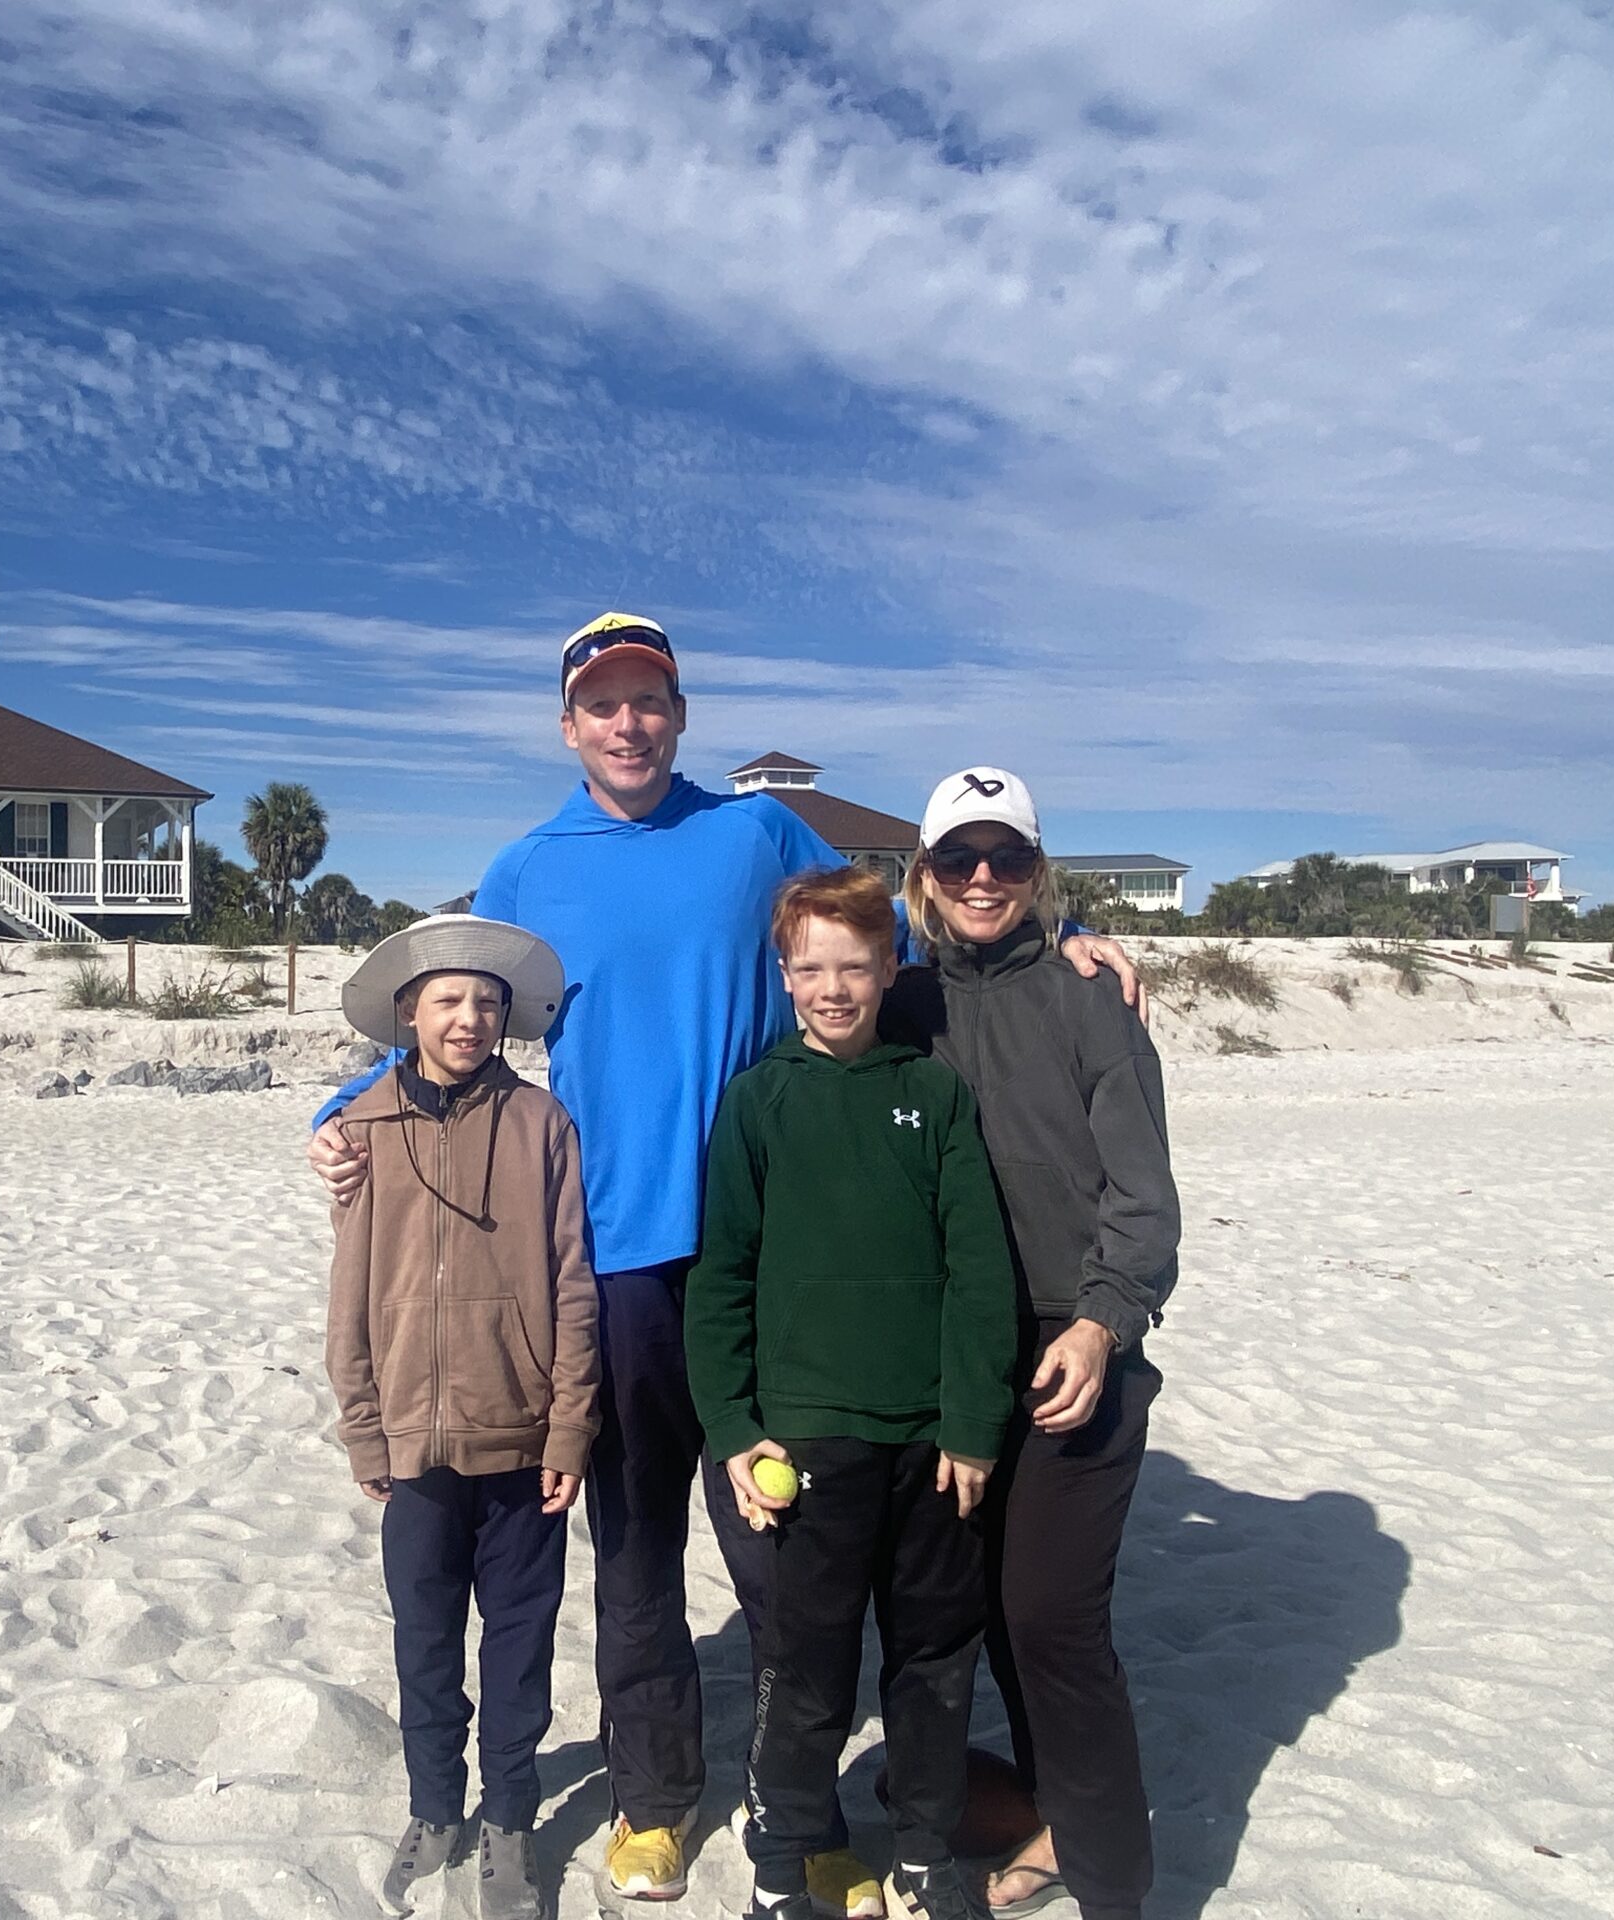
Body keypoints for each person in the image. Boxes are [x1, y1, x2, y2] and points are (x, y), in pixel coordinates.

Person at [312, 613, 1141, 1911]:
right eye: (603, 705)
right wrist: (343, 1111)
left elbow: (902, 922)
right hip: (617, 1260)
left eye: (649, 700)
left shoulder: (755, 834)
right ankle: (653, 1798)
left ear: (678, 715)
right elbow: (452, 1006)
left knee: (789, 1561)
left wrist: (1067, 930)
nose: (628, 724)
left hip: (780, 1255)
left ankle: (796, 1812)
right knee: (635, 1548)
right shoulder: (528, 866)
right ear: (569, 726)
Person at [686, 864, 1018, 1920]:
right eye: (812, 969)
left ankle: (923, 1853)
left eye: (856, 967)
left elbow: (979, 1273)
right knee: (807, 1666)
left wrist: (973, 1424)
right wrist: (734, 1428)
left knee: (932, 1661)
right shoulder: (759, 1100)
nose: (834, 989)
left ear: (890, 968)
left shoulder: (935, 1093)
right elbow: (722, 1277)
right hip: (808, 1438)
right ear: (784, 975)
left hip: (933, 1445)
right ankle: (782, 1863)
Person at [882, 768, 1181, 1920]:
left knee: (1054, 1618)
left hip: (1075, 1345)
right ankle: (1052, 1815)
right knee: (983, 1612)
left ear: (1038, 871)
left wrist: (1104, 1323)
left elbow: (1143, 1203)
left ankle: (1113, 1886)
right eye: (958, 858)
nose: (983, 879)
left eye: (1007, 857)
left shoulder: (1088, 1000)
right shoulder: (900, 1005)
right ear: (923, 876)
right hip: (948, 1357)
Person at [324, 913, 600, 1920]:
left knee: (519, 1648)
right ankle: (435, 1806)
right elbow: (349, 1292)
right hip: (412, 1443)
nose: (468, 1018)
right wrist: (364, 1424)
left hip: (522, 1439)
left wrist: (569, 1426)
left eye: (486, 1002)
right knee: (425, 1643)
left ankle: (510, 1818)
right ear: (409, 1012)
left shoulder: (541, 1124)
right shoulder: (362, 1132)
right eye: (447, 999)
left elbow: (573, 1283)